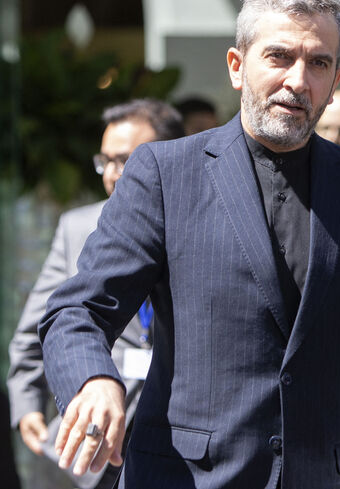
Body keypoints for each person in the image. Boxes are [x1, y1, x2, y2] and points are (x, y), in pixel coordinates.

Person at [38, 1, 340, 488]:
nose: (298, 80)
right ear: (237, 66)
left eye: (318, 63)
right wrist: (93, 380)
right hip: (185, 477)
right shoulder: (165, 173)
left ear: (336, 82)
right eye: (278, 56)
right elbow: (77, 310)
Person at [7, 99, 184, 489]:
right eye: (106, 161)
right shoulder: (77, 227)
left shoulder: (195, 225)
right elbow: (43, 319)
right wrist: (26, 404)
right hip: (100, 432)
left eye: (127, 160)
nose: (114, 175)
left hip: (179, 431)